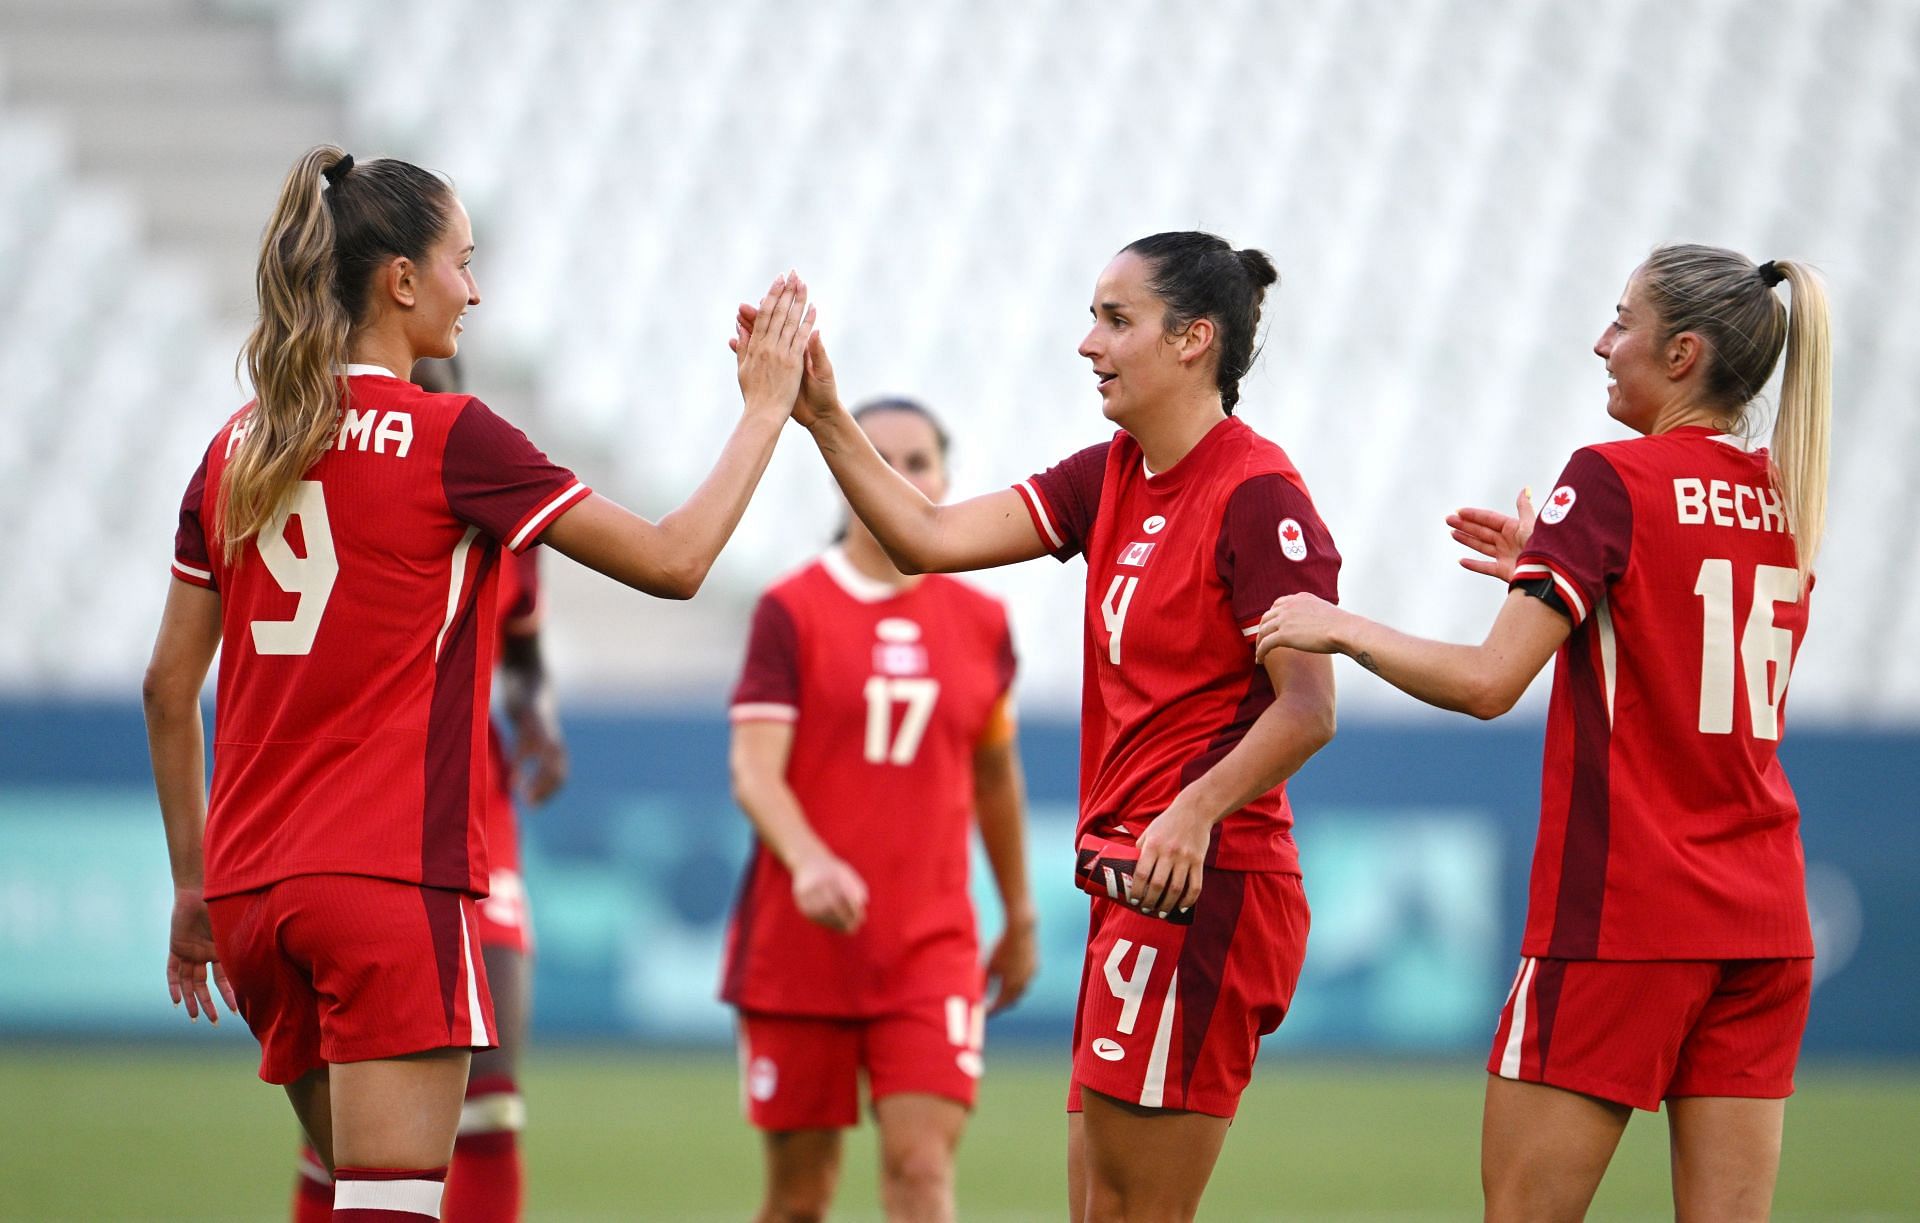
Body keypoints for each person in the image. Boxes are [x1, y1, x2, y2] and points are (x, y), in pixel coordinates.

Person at [143, 144, 812, 1222]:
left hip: (253, 893)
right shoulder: (453, 437)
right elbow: (677, 560)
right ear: (401, 280)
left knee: (357, 1196)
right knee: (399, 1204)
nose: (476, 286)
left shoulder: (234, 445)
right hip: (387, 884)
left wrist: (189, 888)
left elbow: (168, 690)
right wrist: (767, 408)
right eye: (463, 258)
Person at [744, 232, 1340, 1222]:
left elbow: (1308, 703)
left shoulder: (1256, 491)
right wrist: (821, 414)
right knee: (1100, 1208)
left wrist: (1192, 808)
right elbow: (929, 536)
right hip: (1133, 885)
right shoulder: (1111, 473)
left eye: (1115, 320)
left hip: (1207, 881)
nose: (1087, 343)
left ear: (1195, 339)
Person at [1253, 245, 1830, 1222]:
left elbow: (1487, 684)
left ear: (1682, 352)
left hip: (1625, 916)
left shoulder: (1611, 476)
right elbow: (1680, 631)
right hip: (1766, 919)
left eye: (1622, 320)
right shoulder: (1786, 493)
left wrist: (1344, 625)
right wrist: (1556, 563)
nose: (1604, 343)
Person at [722, 396, 1038, 1223]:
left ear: (947, 475)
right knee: (799, 1198)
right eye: (880, 457)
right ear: (842, 474)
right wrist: (811, 858)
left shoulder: (983, 621)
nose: (901, 476)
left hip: (928, 947)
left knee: (920, 1170)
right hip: (800, 948)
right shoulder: (790, 610)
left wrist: (1021, 912)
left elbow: (996, 775)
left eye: (919, 460)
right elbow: (756, 772)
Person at [289, 360, 566, 1223]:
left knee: (489, 1079)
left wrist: (536, 720)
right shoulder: (337, 483)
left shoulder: (503, 496)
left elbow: (522, 656)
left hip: (474, 807)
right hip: (365, 813)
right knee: (354, 1108)